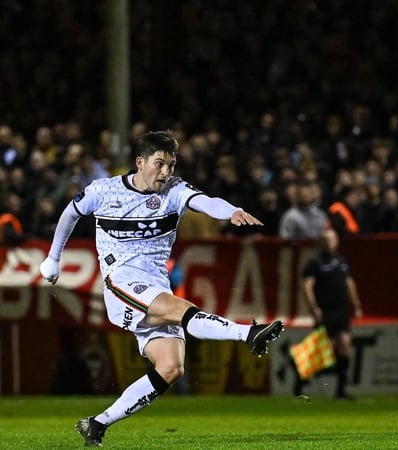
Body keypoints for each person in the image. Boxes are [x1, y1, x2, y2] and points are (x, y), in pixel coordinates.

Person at [39, 130, 285, 446]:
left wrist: (231, 211)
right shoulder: (105, 191)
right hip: (122, 283)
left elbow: (206, 202)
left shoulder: (174, 190)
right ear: (140, 162)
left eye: (170, 164)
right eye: (159, 164)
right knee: (179, 308)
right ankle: (248, 334)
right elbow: (70, 213)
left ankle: (98, 424)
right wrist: (53, 258)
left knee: (171, 366)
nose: (166, 172)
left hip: (155, 286)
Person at [298, 228, 363, 399]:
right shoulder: (315, 263)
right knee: (320, 349)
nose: (330, 242)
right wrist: (314, 308)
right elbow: (307, 286)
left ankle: (341, 390)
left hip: (341, 310)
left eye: (332, 239)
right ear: (321, 242)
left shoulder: (341, 261)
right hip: (324, 310)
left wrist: (356, 304)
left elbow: (349, 282)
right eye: (326, 239)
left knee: (345, 344)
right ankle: (299, 380)